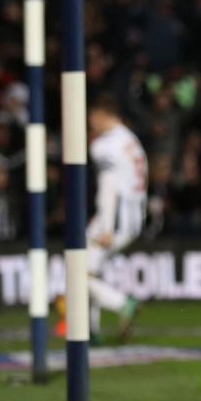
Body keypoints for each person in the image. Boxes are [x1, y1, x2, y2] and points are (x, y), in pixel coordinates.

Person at [80, 95, 145, 342]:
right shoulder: (131, 140)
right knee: (89, 272)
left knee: (79, 273)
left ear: (99, 114)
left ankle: (122, 303)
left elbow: (109, 185)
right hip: (133, 217)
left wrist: (105, 225)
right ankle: (90, 332)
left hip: (113, 219)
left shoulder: (105, 145)